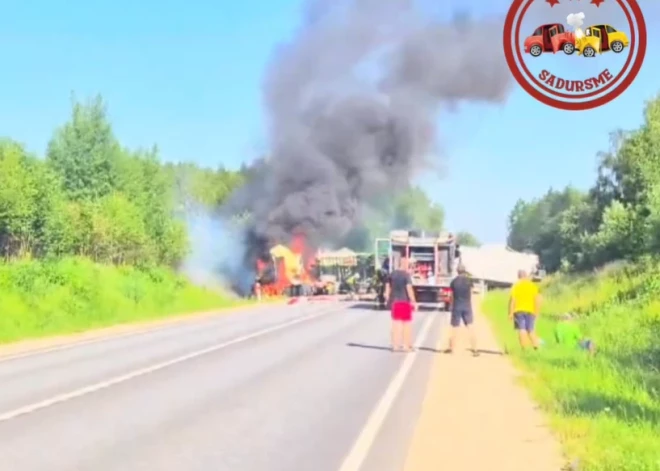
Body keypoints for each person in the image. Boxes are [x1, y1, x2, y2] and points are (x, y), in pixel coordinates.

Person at [384, 256, 418, 352]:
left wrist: (387, 299)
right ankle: (406, 346)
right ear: (404, 264)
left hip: (394, 301)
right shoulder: (406, 275)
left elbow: (387, 288)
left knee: (395, 324)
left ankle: (395, 345)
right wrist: (414, 301)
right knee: (406, 325)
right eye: (408, 264)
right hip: (404, 301)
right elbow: (409, 289)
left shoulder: (391, 274)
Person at [447, 264, 478, 356]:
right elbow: (472, 292)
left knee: (455, 328)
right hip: (467, 306)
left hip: (457, 306)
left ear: (457, 271)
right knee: (470, 327)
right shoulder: (469, 281)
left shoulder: (453, 282)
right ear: (464, 271)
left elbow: (451, 295)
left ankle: (451, 348)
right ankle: (475, 349)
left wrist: (451, 305)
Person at [509, 269, 541, 350]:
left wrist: (510, 313)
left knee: (522, 329)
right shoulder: (532, 286)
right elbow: (536, 300)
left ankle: (524, 348)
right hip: (530, 310)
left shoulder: (516, 286)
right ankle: (536, 346)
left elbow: (513, 300)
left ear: (518, 276)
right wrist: (536, 312)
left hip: (519, 310)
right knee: (531, 329)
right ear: (526, 276)